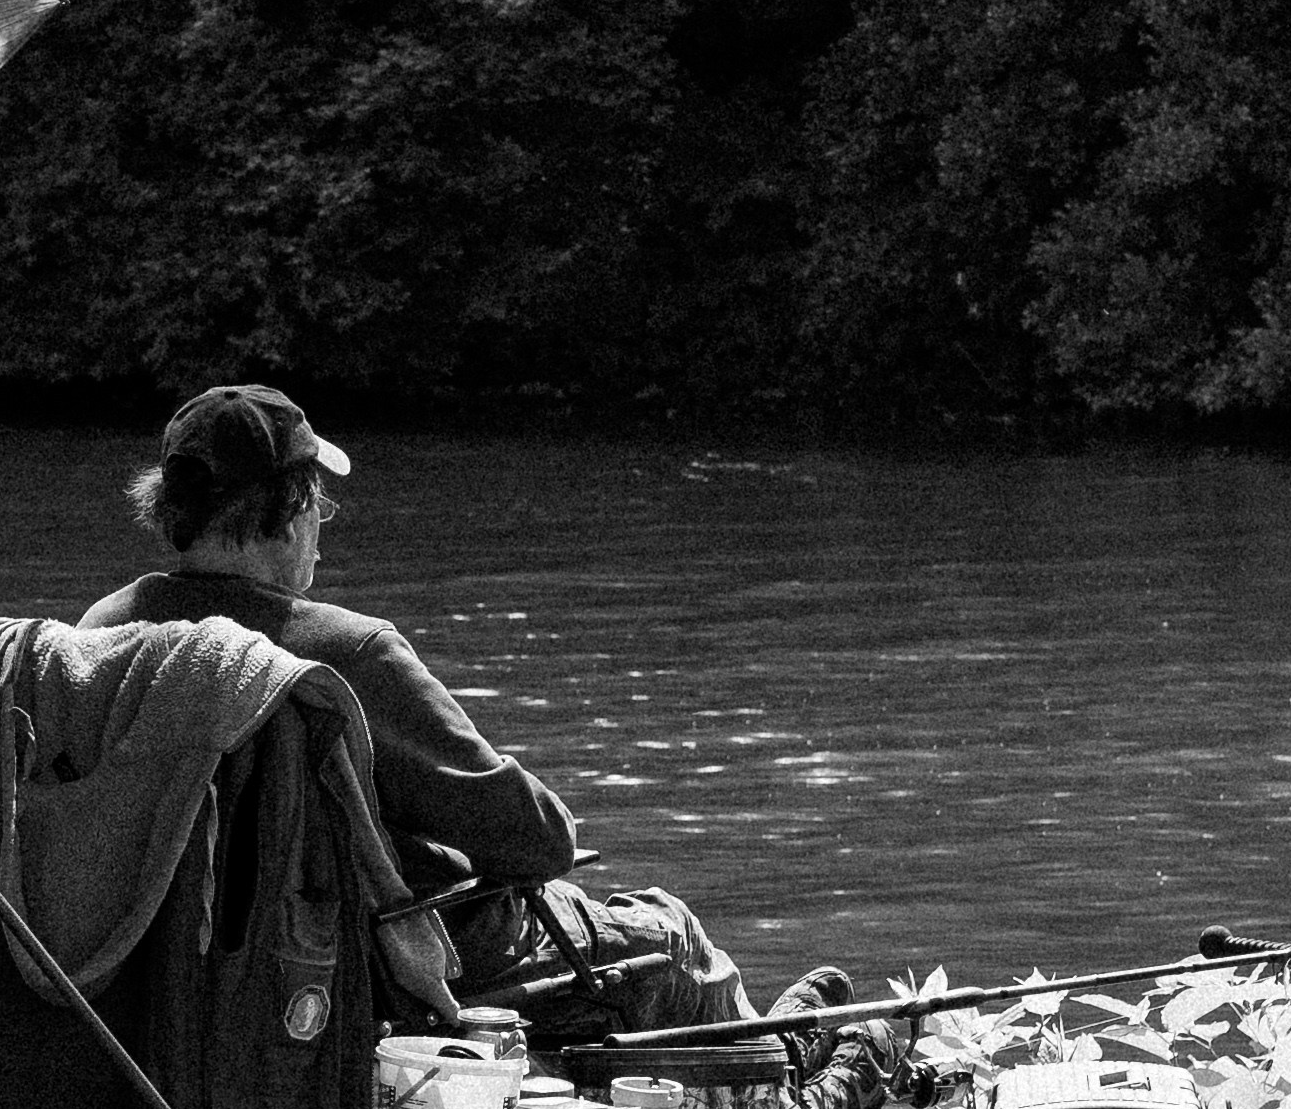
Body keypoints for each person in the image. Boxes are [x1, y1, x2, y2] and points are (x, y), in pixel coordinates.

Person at [82, 386, 845, 1066]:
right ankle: (787, 1092)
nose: (321, 522)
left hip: (186, 973)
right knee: (670, 937)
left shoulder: (100, 636)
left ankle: (786, 1049)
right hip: (396, 968)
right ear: (286, 511)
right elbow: (534, 837)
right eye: (317, 502)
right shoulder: (346, 654)